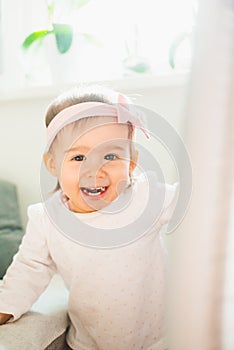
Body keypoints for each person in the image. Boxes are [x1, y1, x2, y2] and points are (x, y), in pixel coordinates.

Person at [0, 85, 178, 350]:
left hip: (158, 339)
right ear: (52, 164)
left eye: (110, 155)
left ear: (131, 162)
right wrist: (5, 308)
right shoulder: (47, 220)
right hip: (88, 342)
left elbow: (202, 206)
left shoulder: (145, 198)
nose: (95, 170)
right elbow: (29, 269)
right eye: (79, 157)